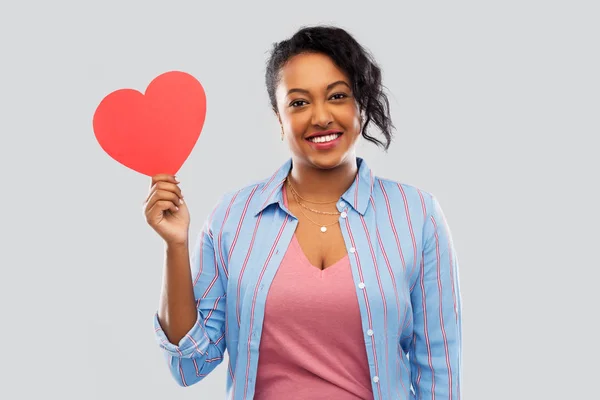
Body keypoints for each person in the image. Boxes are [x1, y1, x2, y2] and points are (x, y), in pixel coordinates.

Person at [144, 25, 462, 400]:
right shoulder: (232, 217)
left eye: (338, 96)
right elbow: (189, 365)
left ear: (361, 104)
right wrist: (175, 245)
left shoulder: (417, 215)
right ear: (279, 118)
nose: (321, 116)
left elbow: (438, 372)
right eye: (298, 102)